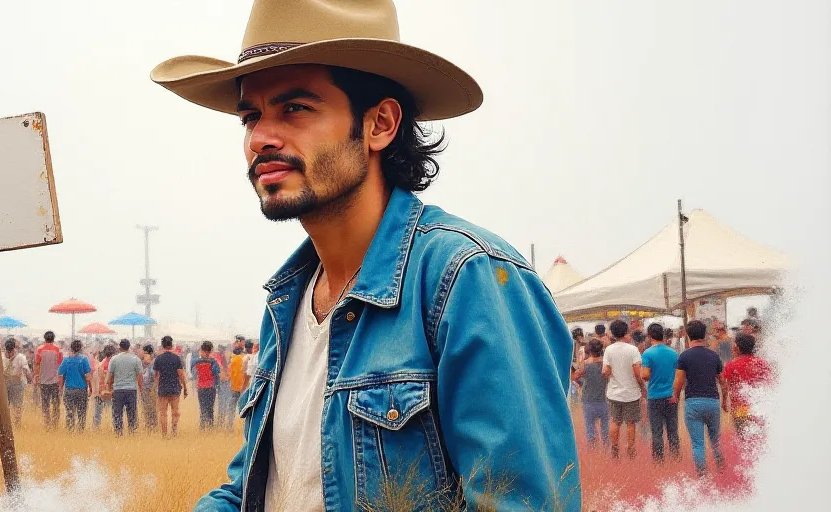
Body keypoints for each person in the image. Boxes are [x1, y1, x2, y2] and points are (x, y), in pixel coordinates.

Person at [151, 1, 580, 509]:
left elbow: (523, 500)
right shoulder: (287, 302)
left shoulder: (465, 278)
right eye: (251, 116)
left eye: (295, 108)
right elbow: (261, 488)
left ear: (379, 124)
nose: (260, 138)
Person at [671, 320, 728, 477]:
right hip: (712, 402)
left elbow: (679, 382)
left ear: (688, 336)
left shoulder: (684, 357)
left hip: (693, 403)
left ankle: (702, 475)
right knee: (715, 440)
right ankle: (721, 468)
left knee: (698, 443)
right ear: (704, 335)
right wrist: (724, 401)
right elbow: (722, 382)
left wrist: (675, 396)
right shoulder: (714, 356)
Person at [602, 319, 644, 459]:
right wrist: (642, 387)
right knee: (630, 423)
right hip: (631, 393)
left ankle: (615, 449)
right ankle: (630, 449)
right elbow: (637, 372)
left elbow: (606, 372)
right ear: (626, 332)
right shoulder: (633, 349)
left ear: (613, 334)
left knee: (615, 421)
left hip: (614, 393)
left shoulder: (609, 349)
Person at [722, 333, 774, 441]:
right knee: (760, 441)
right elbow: (770, 384)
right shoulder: (762, 363)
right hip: (759, 409)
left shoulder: (731, 365)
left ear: (737, 347)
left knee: (745, 442)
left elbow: (725, 385)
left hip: (740, 410)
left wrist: (724, 401)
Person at [641, 323, 681, 463]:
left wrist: (647, 373)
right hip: (671, 396)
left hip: (655, 397)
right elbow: (678, 375)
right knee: (673, 430)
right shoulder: (673, 353)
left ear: (650, 336)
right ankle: (675, 458)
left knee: (657, 431)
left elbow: (645, 375)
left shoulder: (647, 353)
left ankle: (659, 461)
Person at [572, 339, 608, 449]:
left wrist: (571, 366)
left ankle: (593, 451)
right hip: (604, 400)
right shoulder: (606, 364)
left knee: (590, 427)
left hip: (588, 400)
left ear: (589, 350)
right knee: (605, 428)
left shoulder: (585, 365)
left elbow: (574, 377)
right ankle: (607, 449)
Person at [108, 339, 144, 436]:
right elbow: (140, 376)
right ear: (129, 347)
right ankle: (132, 431)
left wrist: (109, 387)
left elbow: (110, 376)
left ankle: (118, 432)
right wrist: (141, 389)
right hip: (131, 390)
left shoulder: (114, 359)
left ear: (120, 347)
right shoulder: (136, 359)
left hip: (118, 390)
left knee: (117, 412)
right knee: (132, 412)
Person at [154, 336, 189, 438]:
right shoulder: (176, 358)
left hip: (163, 388)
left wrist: (156, 388)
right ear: (171, 345)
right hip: (174, 388)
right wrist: (185, 387)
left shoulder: (158, 359)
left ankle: (164, 435)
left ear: (162, 345)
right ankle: (174, 431)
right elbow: (180, 374)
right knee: (175, 411)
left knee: (163, 413)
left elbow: (156, 376)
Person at [58, 339, 92, 433]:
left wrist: (61, 388)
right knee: (81, 413)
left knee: (70, 413)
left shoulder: (66, 360)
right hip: (81, 390)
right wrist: (91, 388)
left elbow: (60, 375)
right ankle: (80, 431)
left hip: (69, 390)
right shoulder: (84, 359)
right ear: (80, 348)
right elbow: (88, 376)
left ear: (71, 348)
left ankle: (70, 431)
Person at [34, 331, 63, 430]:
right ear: (53, 339)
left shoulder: (39, 350)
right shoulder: (58, 350)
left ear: (44, 338)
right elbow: (60, 365)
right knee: (55, 404)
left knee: (45, 404)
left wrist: (36, 377)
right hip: (55, 381)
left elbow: (37, 364)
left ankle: (47, 424)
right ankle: (55, 425)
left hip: (43, 381)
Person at [190, 341, 221, 431]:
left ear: (201, 350)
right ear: (210, 351)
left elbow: (192, 370)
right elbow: (216, 373)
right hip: (211, 387)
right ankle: (210, 427)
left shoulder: (196, 361)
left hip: (201, 387)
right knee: (210, 408)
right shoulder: (213, 362)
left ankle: (202, 427)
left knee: (202, 407)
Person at [2, 338, 31, 428]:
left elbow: (25, 370)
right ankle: (5, 423)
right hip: (4, 384)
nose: (10, 353)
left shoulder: (21, 357)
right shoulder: (1, 356)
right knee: (4, 405)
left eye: (11, 351)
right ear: (5, 349)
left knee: (17, 405)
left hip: (17, 384)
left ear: (14, 349)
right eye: (8, 351)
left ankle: (17, 424)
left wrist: (28, 379)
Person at [93, 344, 117, 430]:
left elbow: (95, 379)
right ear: (113, 354)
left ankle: (95, 429)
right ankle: (115, 429)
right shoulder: (114, 364)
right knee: (115, 412)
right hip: (112, 392)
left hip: (100, 392)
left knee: (97, 413)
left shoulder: (100, 364)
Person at [227, 339, 248, 430]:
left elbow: (229, 374)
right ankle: (245, 426)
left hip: (234, 387)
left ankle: (230, 426)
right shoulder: (245, 359)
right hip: (244, 387)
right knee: (245, 407)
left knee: (232, 407)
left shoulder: (233, 360)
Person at [141, 344, 159, 432]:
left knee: (152, 408)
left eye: (146, 353)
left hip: (151, 389)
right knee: (146, 408)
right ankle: (149, 425)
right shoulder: (144, 364)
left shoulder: (154, 363)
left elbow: (155, 376)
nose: (144, 355)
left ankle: (153, 426)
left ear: (151, 354)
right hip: (145, 389)